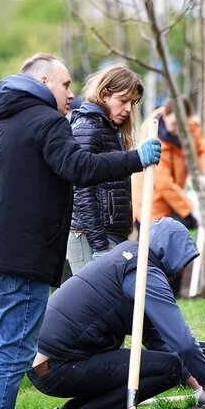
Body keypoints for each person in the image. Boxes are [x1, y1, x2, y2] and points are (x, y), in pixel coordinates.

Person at [0, 53, 162, 409]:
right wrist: (136, 159)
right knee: (14, 354)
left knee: (3, 351)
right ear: (42, 82)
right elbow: (79, 167)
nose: (72, 93)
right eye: (65, 84)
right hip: (22, 258)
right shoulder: (47, 122)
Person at [29, 217, 205, 409]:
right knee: (169, 369)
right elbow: (183, 343)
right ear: (169, 252)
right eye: (182, 262)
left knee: (153, 363)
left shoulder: (127, 256)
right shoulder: (144, 272)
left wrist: (197, 387)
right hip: (60, 366)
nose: (180, 272)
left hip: (43, 363)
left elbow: (156, 340)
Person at [67, 63, 143, 274]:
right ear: (104, 94)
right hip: (89, 236)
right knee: (90, 304)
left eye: (133, 103)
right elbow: (81, 190)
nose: (128, 109)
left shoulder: (108, 128)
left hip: (107, 234)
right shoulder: (89, 127)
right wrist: (99, 244)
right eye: (123, 101)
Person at [132, 95, 205, 233]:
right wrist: (190, 208)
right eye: (174, 124)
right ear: (165, 115)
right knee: (154, 243)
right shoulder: (154, 141)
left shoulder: (191, 128)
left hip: (174, 196)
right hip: (152, 202)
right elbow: (164, 183)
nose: (178, 129)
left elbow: (202, 149)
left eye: (182, 124)